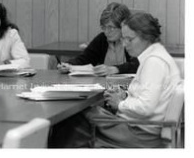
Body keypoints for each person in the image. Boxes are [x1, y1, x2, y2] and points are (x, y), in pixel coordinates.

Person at [63, 12, 182, 148]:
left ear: (146, 37)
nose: (125, 44)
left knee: (73, 118)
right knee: (84, 113)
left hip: (138, 134)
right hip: (138, 127)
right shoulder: (156, 56)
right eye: (124, 39)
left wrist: (119, 103)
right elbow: (149, 99)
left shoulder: (154, 63)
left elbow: (145, 108)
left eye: (129, 39)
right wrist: (125, 98)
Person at [58, 2, 139, 76]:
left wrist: (116, 69)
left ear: (122, 26)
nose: (106, 32)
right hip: (107, 85)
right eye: (104, 27)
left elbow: (138, 64)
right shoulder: (102, 38)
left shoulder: (133, 39)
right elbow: (85, 58)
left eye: (111, 27)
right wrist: (68, 65)